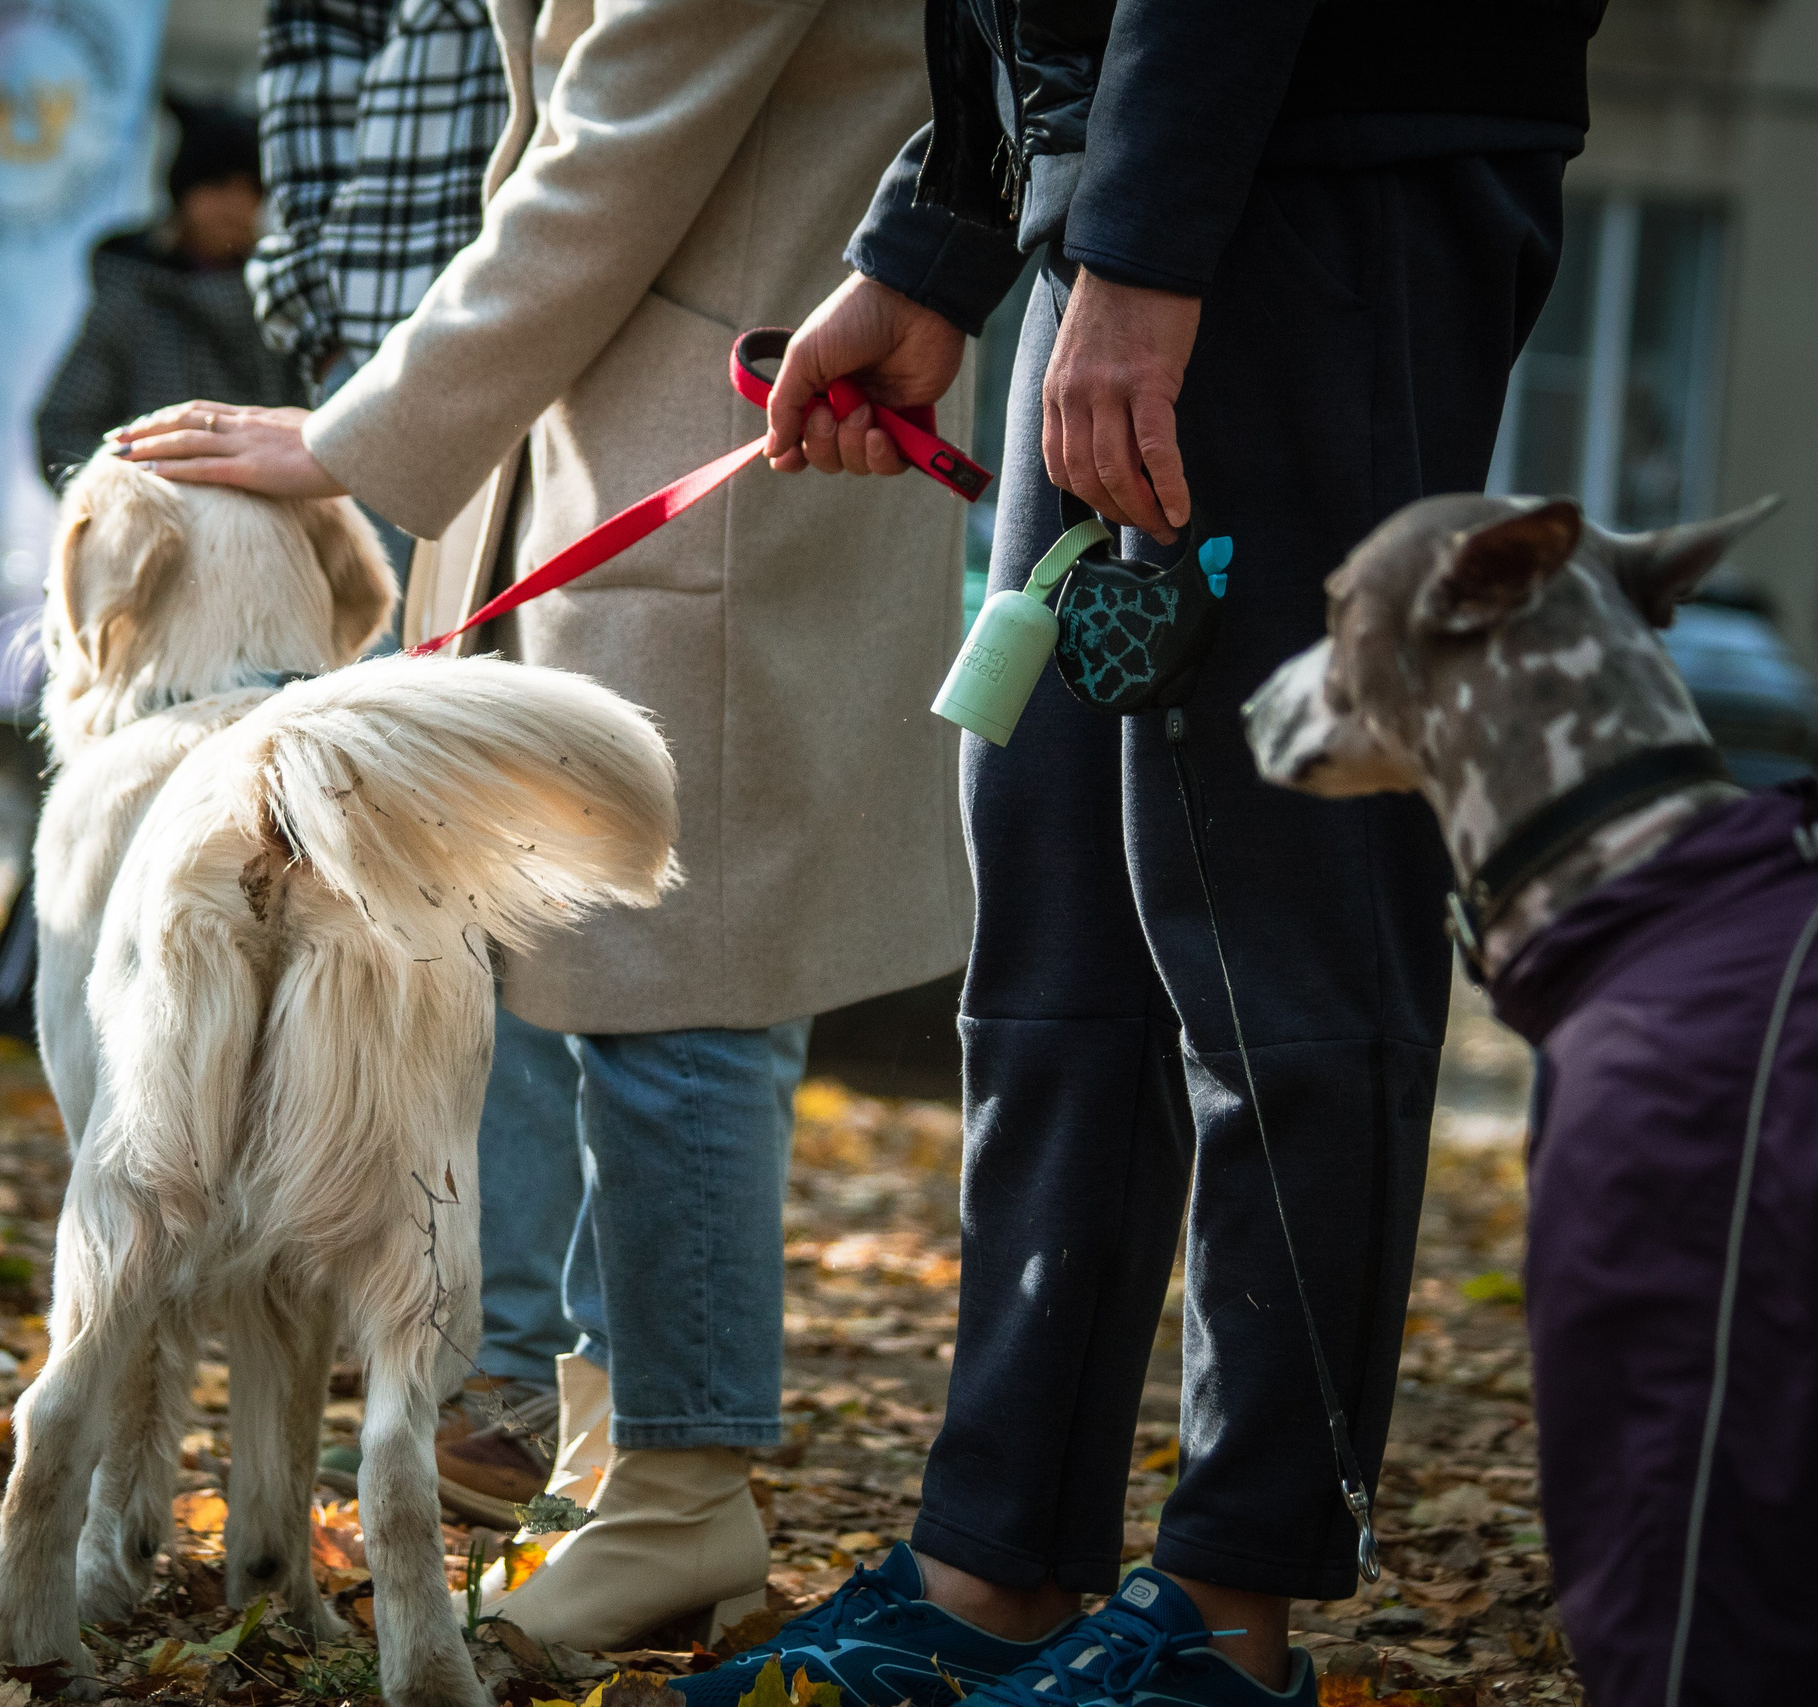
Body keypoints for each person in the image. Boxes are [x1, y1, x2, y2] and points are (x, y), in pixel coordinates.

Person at [681, 4, 1602, 1706]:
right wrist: (941, 240)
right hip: (1120, 198)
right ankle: (997, 1564)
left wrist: (1145, 246)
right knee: (1057, 914)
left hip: (1321, 173)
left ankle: (1225, 1614)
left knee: (1277, 929)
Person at [116, 0, 975, 1650]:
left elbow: (610, 161)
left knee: (683, 1004)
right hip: (621, 437)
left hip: (707, 440)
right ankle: (619, 1471)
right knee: (608, 996)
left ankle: (679, 1494)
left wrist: (342, 437)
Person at [243, 0, 570, 1512]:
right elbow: (308, 52)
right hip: (361, 385)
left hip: (524, 379)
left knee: (512, 913)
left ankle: (506, 1360)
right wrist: (312, 298)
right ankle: (401, 1338)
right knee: (357, 923)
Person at [31, 102, 301, 486]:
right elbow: (64, 427)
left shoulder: (282, 300)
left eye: (251, 189)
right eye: (219, 184)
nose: (235, 205)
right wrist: (124, 500)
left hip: (263, 525)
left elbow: (313, 427)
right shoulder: (130, 300)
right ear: (184, 192)